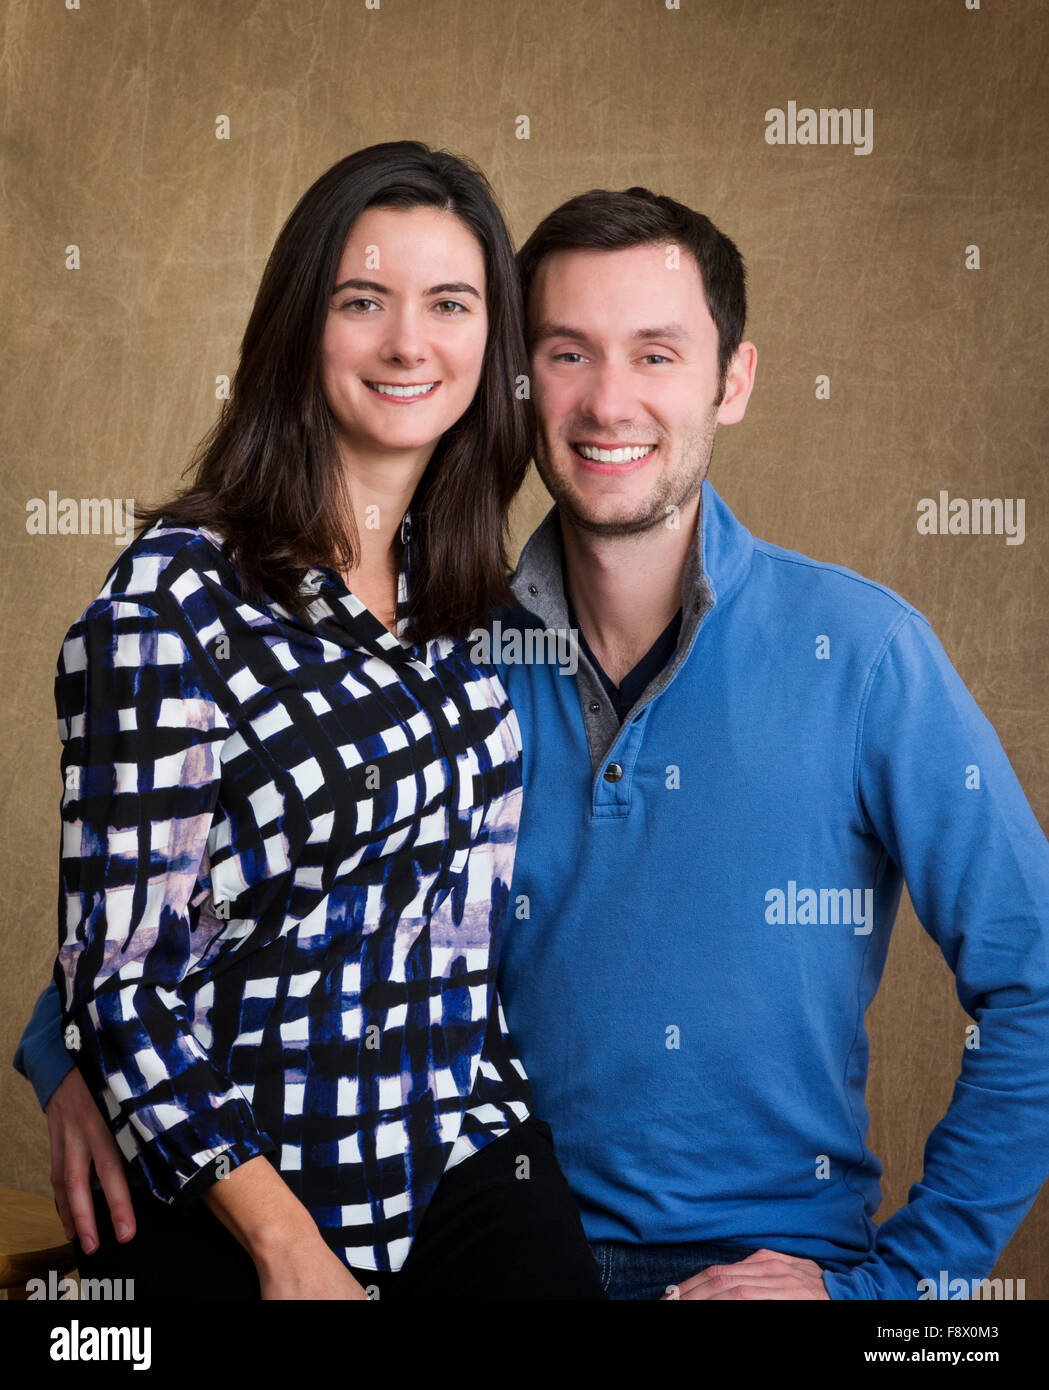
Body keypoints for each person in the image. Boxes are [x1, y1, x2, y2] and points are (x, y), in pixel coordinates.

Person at [20, 182, 1049, 1303]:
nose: (609, 402)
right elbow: (214, 894)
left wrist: (887, 1296)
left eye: (656, 355)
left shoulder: (862, 655)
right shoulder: (446, 658)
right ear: (516, 378)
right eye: (567, 353)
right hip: (474, 1239)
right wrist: (65, 1052)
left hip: (767, 1267)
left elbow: (1035, 983)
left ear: (733, 381)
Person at [10, 142, 605, 1302]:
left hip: (457, 1147)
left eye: (449, 303)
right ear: (299, 326)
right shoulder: (169, 608)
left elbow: (451, 930)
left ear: (490, 345)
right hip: (242, 1175)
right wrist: (284, 1246)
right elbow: (119, 983)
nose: (407, 343)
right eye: (361, 300)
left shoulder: (463, 603)